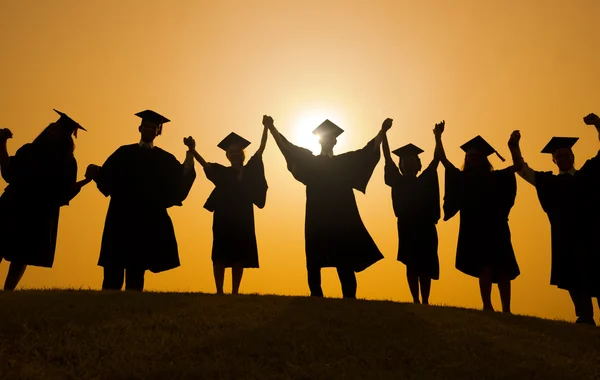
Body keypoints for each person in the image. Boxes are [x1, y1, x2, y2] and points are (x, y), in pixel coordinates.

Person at [264, 115, 388, 299]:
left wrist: (382, 132)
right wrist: (272, 129)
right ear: (319, 140)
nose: (328, 140)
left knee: (344, 257)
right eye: (325, 137)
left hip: (341, 216)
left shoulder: (344, 163)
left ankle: (349, 299)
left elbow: (366, 152)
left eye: (331, 138)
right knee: (315, 255)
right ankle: (316, 296)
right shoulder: (310, 162)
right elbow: (288, 148)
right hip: (317, 215)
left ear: (335, 141)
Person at [86, 110, 196, 291]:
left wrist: (190, 153)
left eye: (154, 128)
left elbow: (181, 179)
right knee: (113, 267)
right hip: (119, 217)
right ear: (140, 128)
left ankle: (132, 310)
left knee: (136, 270)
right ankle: (105, 307)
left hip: (144, 221)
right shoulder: (123, 153)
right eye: (147, 126)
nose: (150, 130)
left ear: (158, 132)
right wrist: (96, 171)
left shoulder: (164, 159)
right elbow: (107, 177)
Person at [509, 131, 595, 324]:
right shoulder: (550, 182)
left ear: (573, 157)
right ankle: (585, 317)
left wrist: (598, 126)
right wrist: (514, 147)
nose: (564, 159)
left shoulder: (586, 175)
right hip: (565, 237)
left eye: (567, 155)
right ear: (554, 161)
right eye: (559, 156)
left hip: (591, 235)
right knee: (573, 277)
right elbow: (523, 170)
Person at [0, 109, 91, 290]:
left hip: (38, 212)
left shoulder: (67, 161)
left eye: (56, 130)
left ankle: (8, 293)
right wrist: (2, 143)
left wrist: (85, 182)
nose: (50, 132)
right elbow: (9, 172)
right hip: (12, 205)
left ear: (65, 136)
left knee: (21, 255)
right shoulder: (28, 150)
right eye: (50, 129)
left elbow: (65, 192)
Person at [435, 122, 520, 313]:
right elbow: (443, 160)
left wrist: (513, 145)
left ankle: (507, 308)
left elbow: (517, 166)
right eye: (469, 155)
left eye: (476, 155)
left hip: (496, 225)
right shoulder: (463, 178)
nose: (472, 158)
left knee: (503, 267)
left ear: (483, 158)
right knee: (485, 266)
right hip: (475, 227)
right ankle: (487, 305)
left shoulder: (496, 177)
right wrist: (438, 137)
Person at [186, 117, 268, 294]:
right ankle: (219, 291)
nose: (234, 155)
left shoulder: (250, 170)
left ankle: (235, 291)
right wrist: (192, 150)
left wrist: (266, 128)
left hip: (243, 217)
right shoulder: (221, 172)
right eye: (231, 153)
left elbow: (261, 149)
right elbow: (205, 164)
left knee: (239, 255)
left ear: (242, 154)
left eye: (237, 152)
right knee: (220, 254)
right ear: (227, 155)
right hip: (223, 216)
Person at [383, 122, 441, 305]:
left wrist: (438, 137)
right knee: (411, 264)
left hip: (425, 227)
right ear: (401, 166)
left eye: (411, 161)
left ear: (418, 165)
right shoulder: (397, 181)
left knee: (425, 265)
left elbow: (436, 159)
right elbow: (387, 157)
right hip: (407, 226)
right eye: (404, 162)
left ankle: (425, 300)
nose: (407, 164)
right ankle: (416, 299)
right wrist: (383, 134)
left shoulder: (425, 179)